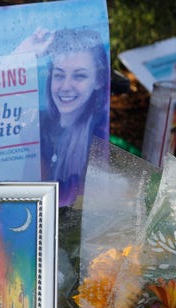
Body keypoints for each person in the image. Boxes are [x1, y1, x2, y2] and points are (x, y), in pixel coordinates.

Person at [19, 27, 109, 206]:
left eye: (79, 76)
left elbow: (78, 201)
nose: (65, 86)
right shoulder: (38, 124)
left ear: (98, 80)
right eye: (59, 75)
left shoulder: (99, 134)